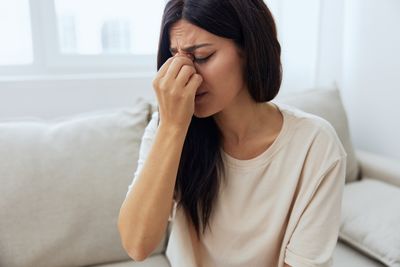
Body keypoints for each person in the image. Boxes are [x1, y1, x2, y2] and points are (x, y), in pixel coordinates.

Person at [118, 0, 347, 266]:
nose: (187, 72)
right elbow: (137, 245)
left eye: (202, 56)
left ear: (249, 49)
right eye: (175, 57)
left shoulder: (315, 144)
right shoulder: (167, 128)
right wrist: (171, 128)